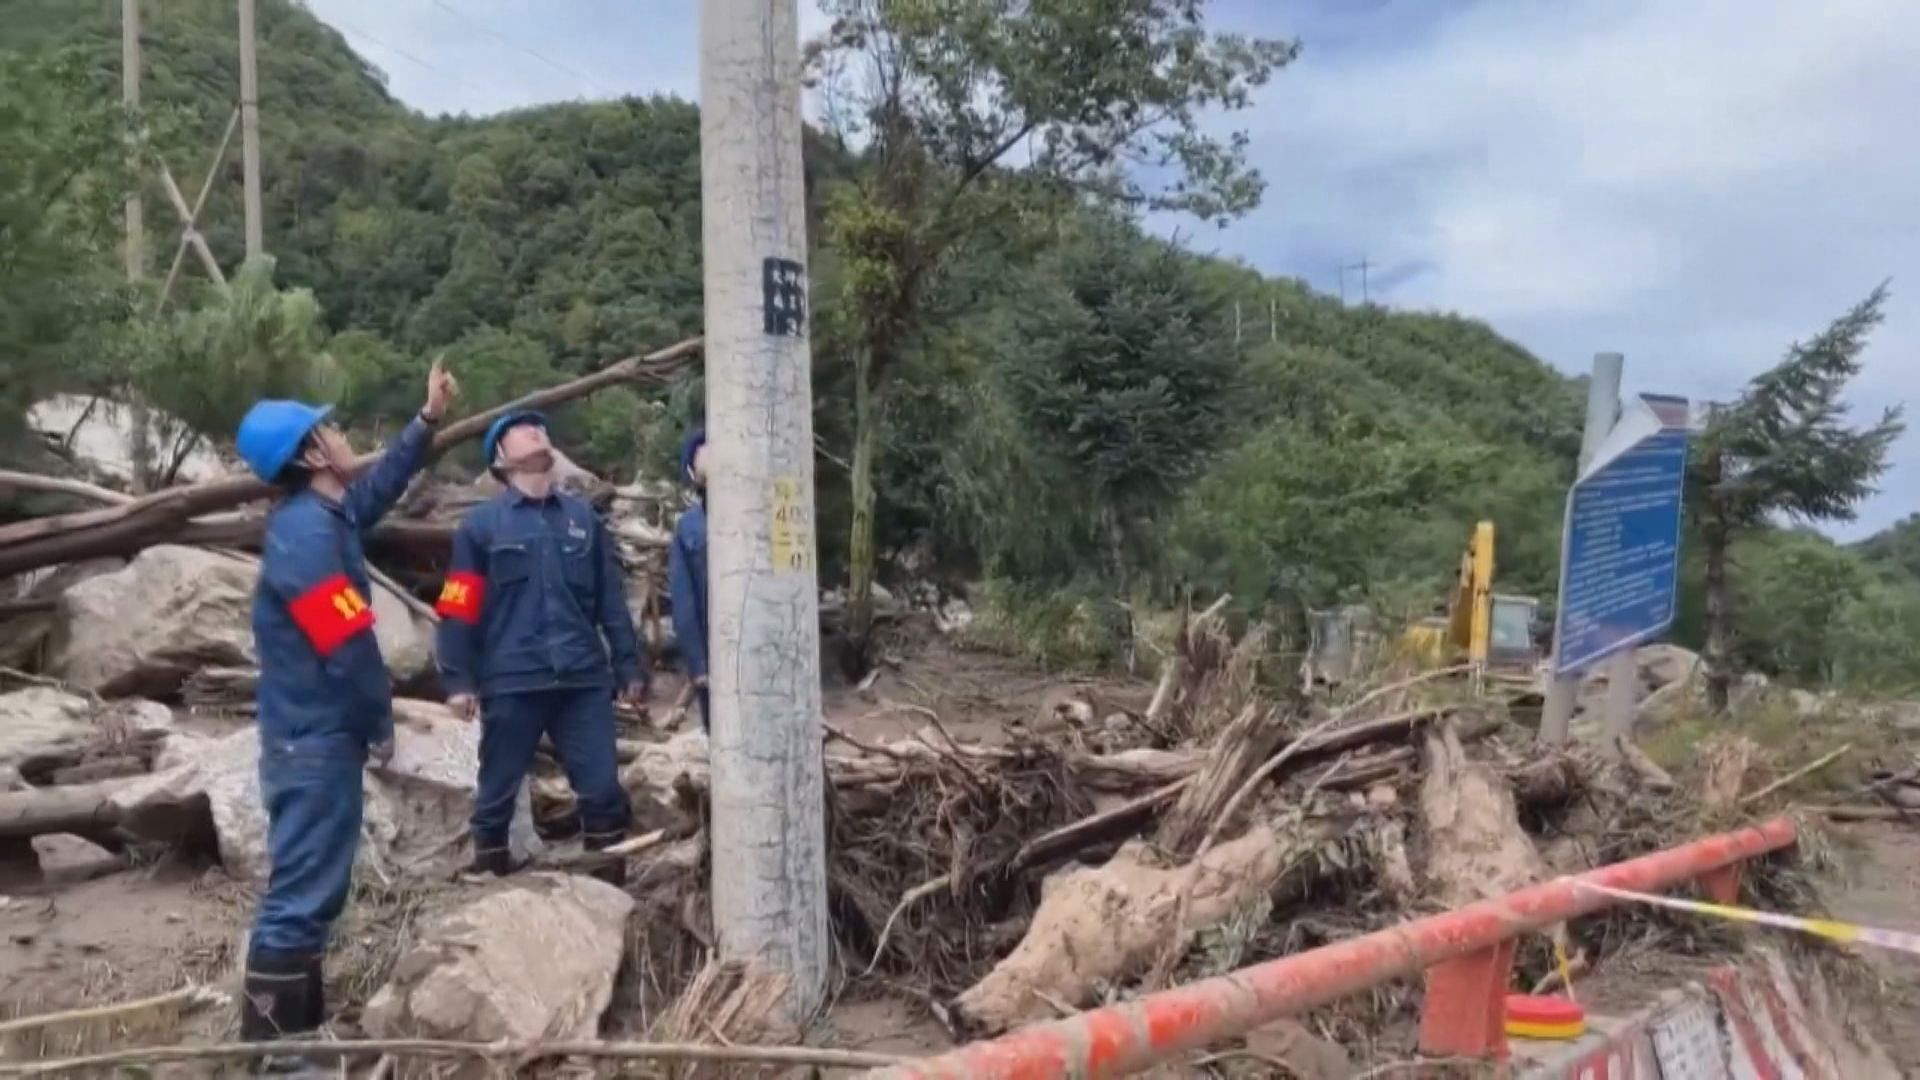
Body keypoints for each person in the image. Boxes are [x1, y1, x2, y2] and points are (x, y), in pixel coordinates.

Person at [235, 360, 457, 1048]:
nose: (338, 434)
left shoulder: (324, 517)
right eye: (327, 428)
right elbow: (345, 637)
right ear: (310, 454)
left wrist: (426, 422)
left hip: (317, 734)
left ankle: (298, 1038)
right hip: (312, 738)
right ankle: (274, 1054)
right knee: (300, 897)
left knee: (317, 894)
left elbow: (380, 487)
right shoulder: (306, 538)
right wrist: (379, 720)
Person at [434, 410, 647, 885]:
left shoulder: (583, 521)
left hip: (582, 679)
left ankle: (607, 890)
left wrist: (629, 667)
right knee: (496, 793)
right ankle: (490, 885)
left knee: (602, 792)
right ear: (501, 460)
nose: (538, 432)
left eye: (542, 428)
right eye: (522, 430)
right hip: (512, 679)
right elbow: (457, 605)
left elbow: (611, 600)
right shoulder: (480, 527)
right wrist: (458, 680)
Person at [668, 429, 709, 730]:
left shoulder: (766, 514)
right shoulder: (689, 528)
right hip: (715, 663)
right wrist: (698, 665)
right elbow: (684, 603)